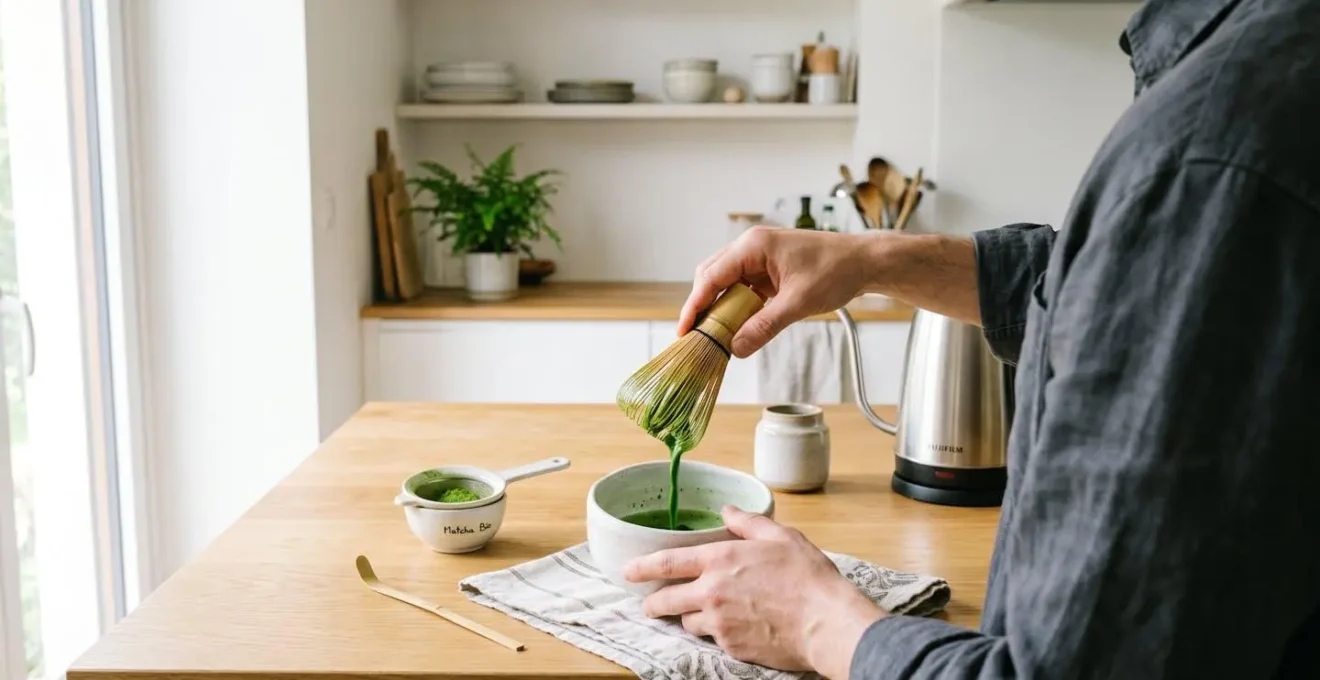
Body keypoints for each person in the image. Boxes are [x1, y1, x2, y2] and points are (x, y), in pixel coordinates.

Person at [624, 0, 1320, 677]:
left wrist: (813, 620)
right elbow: (1094, 281)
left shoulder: (1211, 154)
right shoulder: (1261, 75)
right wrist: (867, 260)